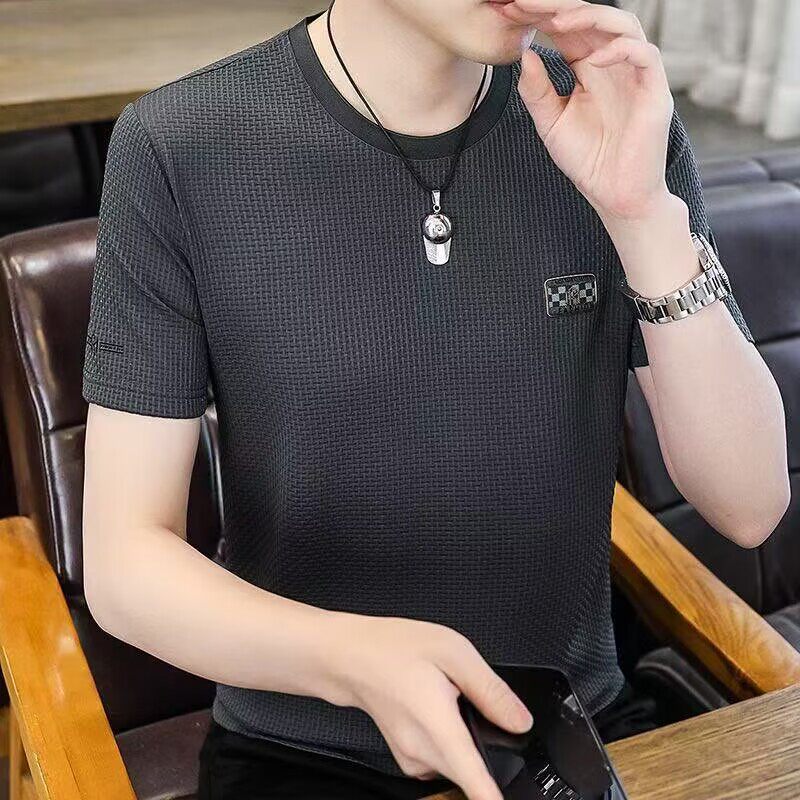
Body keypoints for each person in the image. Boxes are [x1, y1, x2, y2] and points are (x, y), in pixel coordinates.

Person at [81, 1, 790, 798]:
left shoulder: (609, 109)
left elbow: (749, 505)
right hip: (299, 753)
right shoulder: (181, 144)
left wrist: (643, 220)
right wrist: (353, 660)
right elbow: (124, 562)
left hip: (569, 733)